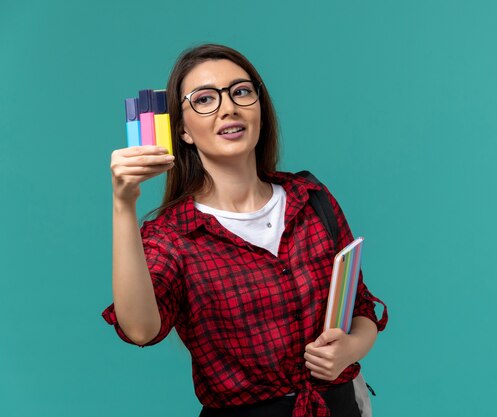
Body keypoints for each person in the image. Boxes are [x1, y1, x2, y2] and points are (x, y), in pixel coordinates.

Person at [102, 44, 387, 417]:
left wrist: (350, 349)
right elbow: (141, 329)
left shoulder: (312, 198)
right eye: (204, 99)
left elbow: (361, 306)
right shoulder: (172, 236)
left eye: (241, 91)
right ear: (183, 130)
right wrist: (123, 205)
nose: (228, 107)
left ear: (260, 109)